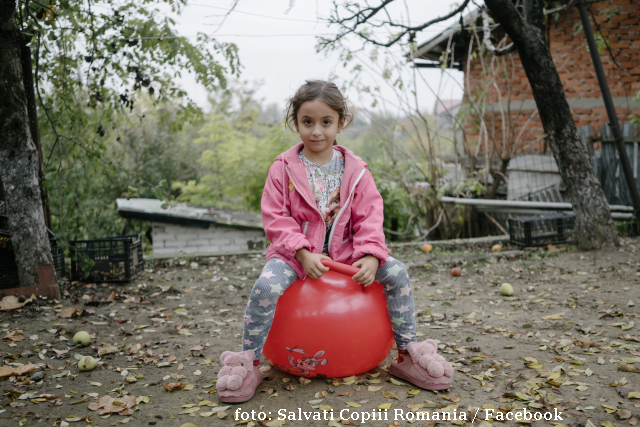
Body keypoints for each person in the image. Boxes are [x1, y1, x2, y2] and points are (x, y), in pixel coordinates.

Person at [216, 80, 453, 403]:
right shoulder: (283, 169)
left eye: (326, 122)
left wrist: (370, 255)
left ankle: (406, 354)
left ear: (341, 123)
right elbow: (275, 216)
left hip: (348, 254)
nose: (316, 131)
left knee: (397, 273)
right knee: (265, 287)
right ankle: (249, 360)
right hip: (293, 255)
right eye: (307, 122)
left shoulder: (355, 171)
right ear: (295, 122)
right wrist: (300, 251)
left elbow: (370, 215)